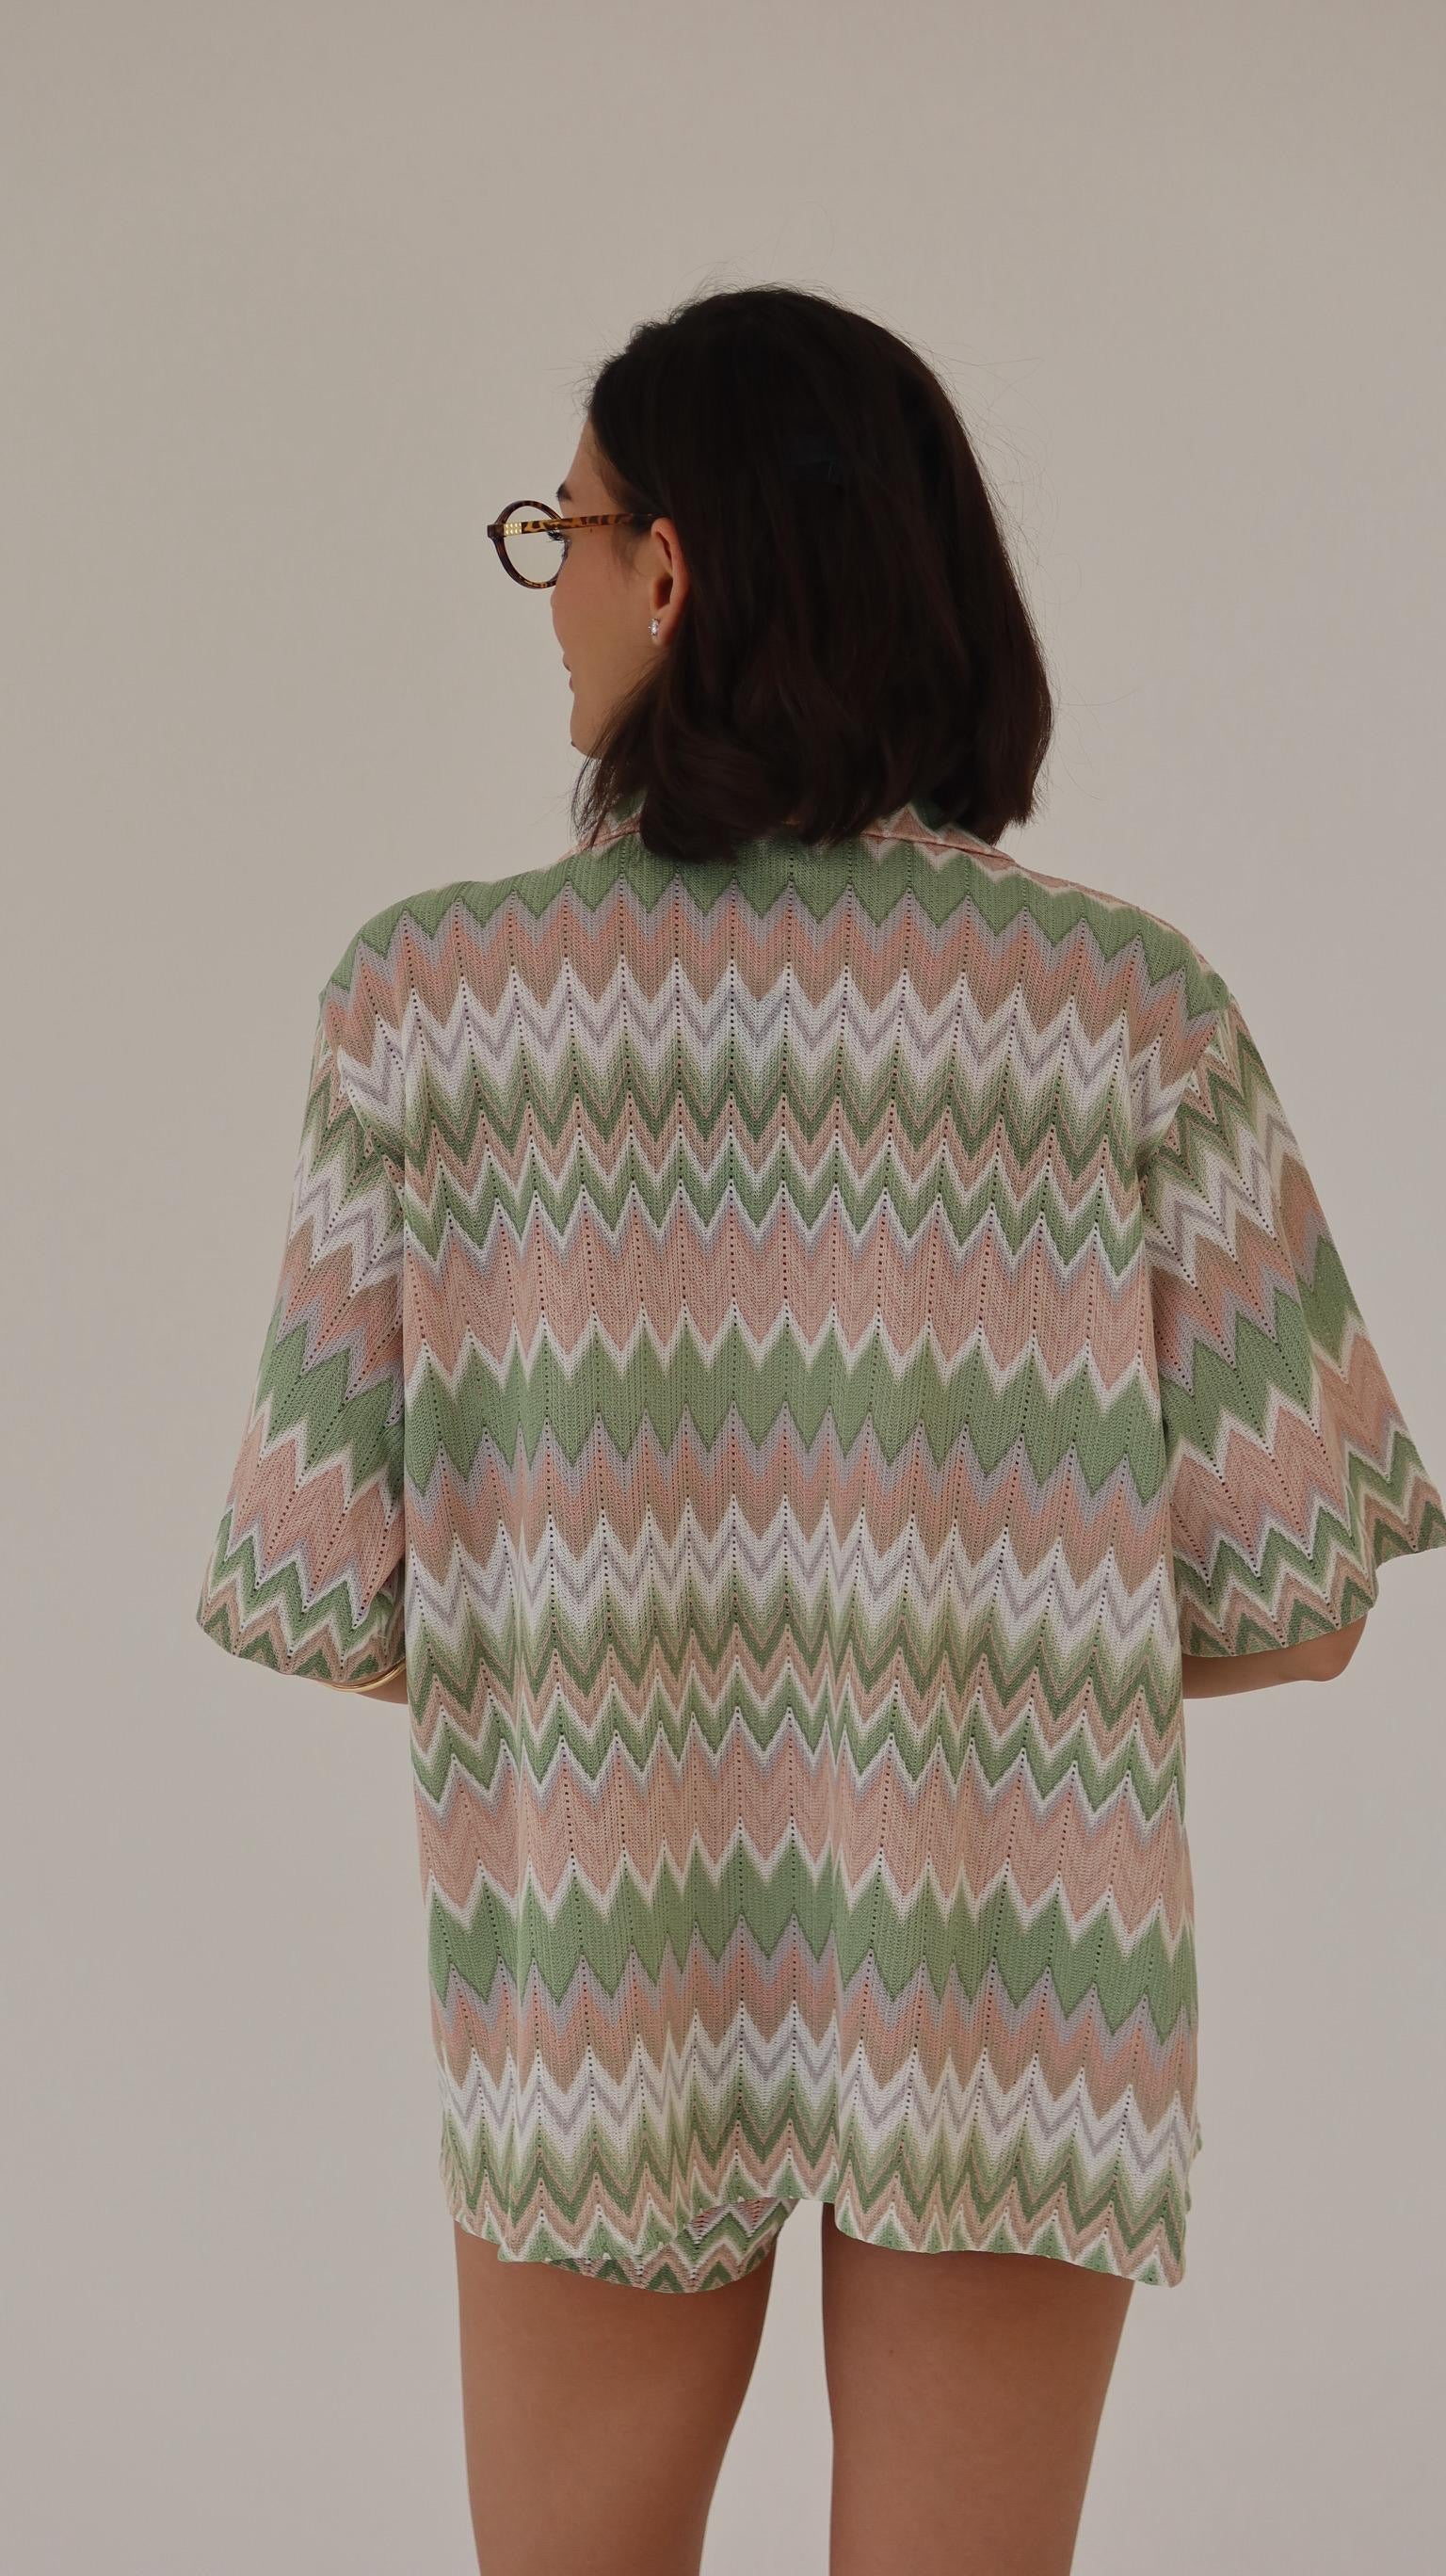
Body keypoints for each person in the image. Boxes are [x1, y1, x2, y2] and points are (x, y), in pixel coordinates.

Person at [194, 283, 1445, 2576]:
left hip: (604, 1965)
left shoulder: (427, 1010)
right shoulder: (1124, 1013)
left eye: (560, 535)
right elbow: (1306, 1595)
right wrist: (959, 1646)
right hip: (1005, 1960)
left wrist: (645, 1633)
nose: (549, 593)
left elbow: (321, 1588)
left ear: (669, 571)